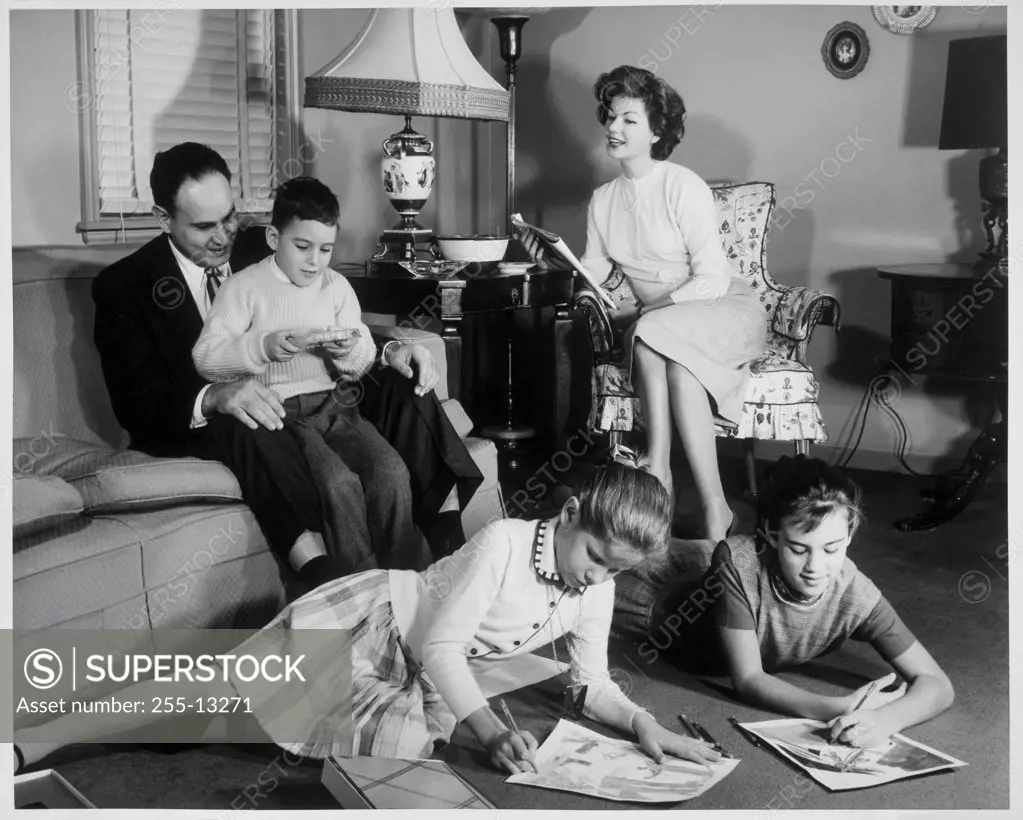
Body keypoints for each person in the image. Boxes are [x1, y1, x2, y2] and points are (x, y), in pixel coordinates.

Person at [14, 459, 722, 776]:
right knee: (210, 696)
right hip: (373, 618)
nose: (599, 579)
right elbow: (444, 650)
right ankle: (34, 739)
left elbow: (589, 680)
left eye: (616, 573)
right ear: (567, 515)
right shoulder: (506, 544)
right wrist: (487, 729)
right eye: (596, 557)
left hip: (405, 669)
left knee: (398, 739)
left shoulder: (594, 586)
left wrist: (642, 722)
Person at [92, 143, 480, 587]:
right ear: (164, 218)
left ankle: (452, 549)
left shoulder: (271, 242)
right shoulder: (124, 286)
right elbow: (136, 402)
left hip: (312, 393)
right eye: (204, 226)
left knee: (402, 381)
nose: (224, 236)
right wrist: (216, 396)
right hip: (215, 418)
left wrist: (391, 350)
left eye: (229, 217)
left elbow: (324, 318)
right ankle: (320, 570)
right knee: (248, 414)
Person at [518, 66, 767, 542]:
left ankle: (660, 474)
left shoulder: (682, 185)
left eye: (629, 120)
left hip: (725, 310)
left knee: (650, 333)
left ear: (656, 131)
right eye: (611, 117)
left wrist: (651, 311)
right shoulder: (603, 200)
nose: (614, 128)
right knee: (674, 362)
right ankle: (716, 509)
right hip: (668, 325)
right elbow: (594, 276)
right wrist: (553, 262)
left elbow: (714, 278)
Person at [192, 176, 427, 570]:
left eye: (325, 249)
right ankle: (359, 581)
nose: (315, 261)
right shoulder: (243, 287)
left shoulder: (336, 288)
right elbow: (206, 357)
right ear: (273, 238)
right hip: (284, 417)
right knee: (337, 484)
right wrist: (261, 348)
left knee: (391, 470)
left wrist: (348, 349)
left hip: (338, 407)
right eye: (302, 247)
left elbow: (364, 357)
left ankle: (407, 574)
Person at [648, 456, 955, 749]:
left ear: (850, 534)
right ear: (771, 535)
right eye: (798, 549)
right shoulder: (737, 563)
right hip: (666, 606)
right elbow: (748, 678)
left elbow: (938, 685)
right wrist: (839, 706)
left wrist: (886, 720)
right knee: (626, 553)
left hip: (722, 573)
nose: (815, 567)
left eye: (831, 549)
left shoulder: (856, 592)